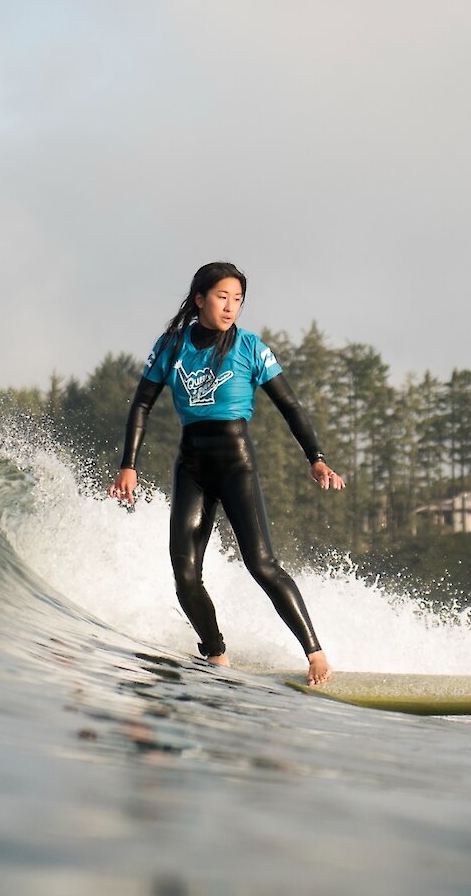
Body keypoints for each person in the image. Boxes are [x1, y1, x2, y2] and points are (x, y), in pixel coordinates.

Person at [109, 261, 344, 686]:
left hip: (236, 463)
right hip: (192, 466)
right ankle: (216, 655)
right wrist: (129, 465)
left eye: (238, 299)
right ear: (200, 299)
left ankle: (316, 653)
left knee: (262, 563)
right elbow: (142, 404)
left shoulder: (250, 347)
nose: (231, 306)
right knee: (184, 574)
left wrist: (317, 457)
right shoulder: (171, 345)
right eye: (222, 296)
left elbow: (290, 406)